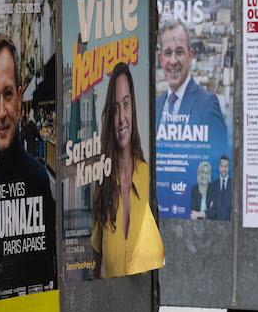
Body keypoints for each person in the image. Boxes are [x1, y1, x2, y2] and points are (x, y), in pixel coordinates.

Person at [0, 35, 56, 294]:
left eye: (8, 94)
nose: (1, 112)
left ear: (20, 99)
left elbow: (51, 266)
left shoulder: (39, 179)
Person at [91, 62, 164, 278]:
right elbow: (95, 264)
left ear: (133, 108)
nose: (121, 117)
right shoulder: (102, 180)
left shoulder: (148, 177)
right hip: (111, 303)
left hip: (141, 302)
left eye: (126, 104)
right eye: (115, 109)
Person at [154, 21, 229, 150]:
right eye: (167, 53)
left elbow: (221, 159)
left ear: (190, 56)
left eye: (179, 52)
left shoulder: (207, 104)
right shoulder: (157, 105)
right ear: (160, 59)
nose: (173, 61)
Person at [207, 154, 232, 220]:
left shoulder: (233, 184)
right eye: (222, 166)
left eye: (226, 166)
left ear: (229, 167)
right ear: (219, 167)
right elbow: (210, 208)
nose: (223, 169)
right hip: (215, 225)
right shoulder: (213, 185)